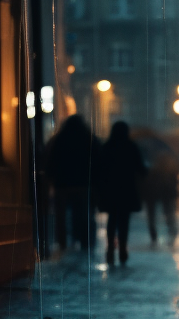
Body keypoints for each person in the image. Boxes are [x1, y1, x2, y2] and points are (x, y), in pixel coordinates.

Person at [97, 121, 146, 266]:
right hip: (126, 189)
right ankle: (123, 247)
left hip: (110, 190)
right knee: (124, 220)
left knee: (112, 219)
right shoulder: (131, 147)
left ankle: (111, 247)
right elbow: (140, 168)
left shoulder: (107, 147)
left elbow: (99, 169)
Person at [45, 114, 97, 250]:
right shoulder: (88, 138)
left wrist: (50, 178)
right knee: (84, 214)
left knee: (60, 216)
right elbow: (98, 160)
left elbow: (52, 159)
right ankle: (85, 241)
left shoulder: (60, 139)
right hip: (83, 183)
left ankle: (62, 243)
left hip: (62, 184)